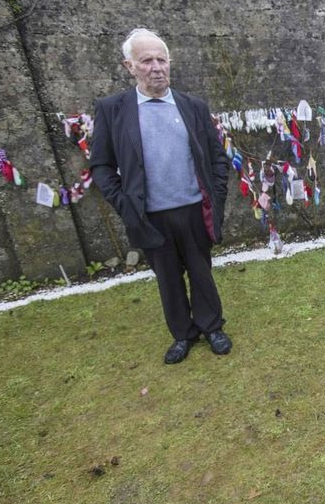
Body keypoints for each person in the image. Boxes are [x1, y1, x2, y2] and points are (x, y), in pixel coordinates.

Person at [91, 28, 232, 364]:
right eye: (146, 60)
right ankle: (183, 334)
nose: (156, 67)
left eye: (161, 59)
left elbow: (216, 158)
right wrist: (125, 205)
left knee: (201, 272)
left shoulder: (192, 106)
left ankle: (211, 326)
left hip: (194, 210)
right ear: (130, 66)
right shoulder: (113, 110)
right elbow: (101, 166)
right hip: (149, 215)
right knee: (168, 278)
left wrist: (218, 195)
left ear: (169, 62)